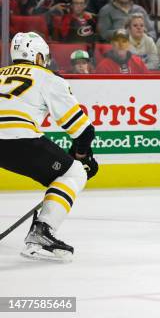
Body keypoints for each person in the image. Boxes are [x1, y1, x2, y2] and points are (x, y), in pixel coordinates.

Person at [0, 32, 98, 261]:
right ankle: (42, 232)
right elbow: (83, 130)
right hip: (18, 139)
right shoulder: (46, 77)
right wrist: (82, 157)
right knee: (72, 174)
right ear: (37, 57)